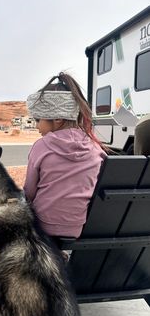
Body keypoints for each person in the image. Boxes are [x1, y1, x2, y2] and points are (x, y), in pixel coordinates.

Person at [24, 72, 107, 240]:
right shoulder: (95, 148)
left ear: (58, 119)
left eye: (38, 119)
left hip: (42, 227)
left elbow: (29, 193)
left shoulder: (42, 146)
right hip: (77, 228)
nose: (37, 126)